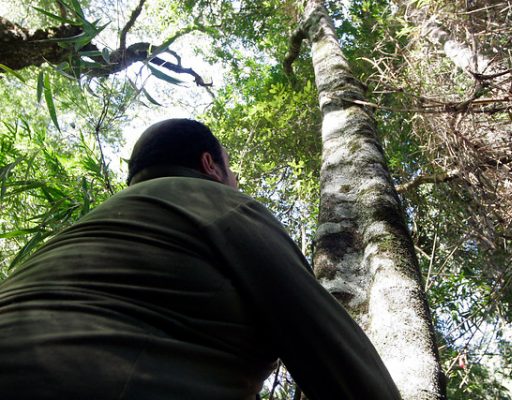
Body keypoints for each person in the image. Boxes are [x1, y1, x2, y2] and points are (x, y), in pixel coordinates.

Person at [0, 119, 400, 400]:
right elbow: (328, 345)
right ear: (210, 165)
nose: (236, 182)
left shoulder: (91, 226)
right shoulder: (214, 200)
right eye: (231, 169)